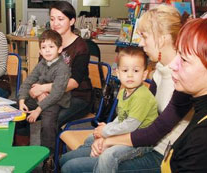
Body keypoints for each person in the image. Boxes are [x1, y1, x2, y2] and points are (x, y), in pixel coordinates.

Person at [59, 5, 192, 172]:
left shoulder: (183, 78)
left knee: (72, 167)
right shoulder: (159, 71)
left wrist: (109, 139)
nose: (140, 43)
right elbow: (142, 117)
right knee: (66, 159)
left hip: (162, 154)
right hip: (142, 139)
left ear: (162, 39)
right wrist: (109, 136)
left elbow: (154, 132)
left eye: (144, 36)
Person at [61, 46, 159, 173]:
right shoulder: (124, 91)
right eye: (125, 70)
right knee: (91, 138)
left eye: (135, 71)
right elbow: (121, 117)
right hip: (126, 134)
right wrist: (107, 128)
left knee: (110, 154)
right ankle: (93, 154)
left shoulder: (142, 96)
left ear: (144, 74)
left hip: (139, 142)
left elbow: (130, 126)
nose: (130, 75)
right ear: (117, 73)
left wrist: (106, 131)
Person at [28, 1, 92, 128]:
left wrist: (44, 89)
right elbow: (39, 73)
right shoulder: (48, 43)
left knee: (51, 118)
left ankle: (49, 149)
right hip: (50, 92)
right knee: (19, 109)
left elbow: (73, 82)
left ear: (72, 21)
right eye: (52, 19)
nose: (55, 23)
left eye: (60, 19)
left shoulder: (81, 47)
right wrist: (41, 93)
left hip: (77, 96)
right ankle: (22, 147)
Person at [162, 18, 207, 172]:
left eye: (184, 59)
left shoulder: (202, 138)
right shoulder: (199, 109)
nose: (172, 65)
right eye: (177, 54)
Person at [17, 29, 71, 157]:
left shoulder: (62, 67)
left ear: (59, 49)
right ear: (40, 51)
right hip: (39, 97)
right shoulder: (42, 63)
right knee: (16, 111)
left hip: (57, 101)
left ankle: (48, 157)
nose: (47, 50)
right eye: (44, 47)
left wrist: (38, 110)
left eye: (51, 47)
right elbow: (28, 81)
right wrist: (21, 100)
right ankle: (20, 146)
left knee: (47, 124)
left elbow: (57, 94)